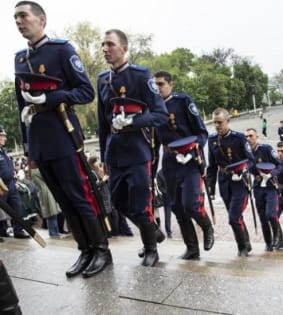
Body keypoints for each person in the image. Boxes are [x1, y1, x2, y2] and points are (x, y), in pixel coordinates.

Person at [14, 1, 111, 278]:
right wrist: (29, 147)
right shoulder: (19, 57)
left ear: (41, 19)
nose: (19, 22)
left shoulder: (61, 50)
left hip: (63, 132)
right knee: (62, 199)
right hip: (40, 139)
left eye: (23, 16)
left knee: (79, 195)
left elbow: (85, 92)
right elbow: (23, 106)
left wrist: (52, 97)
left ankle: (101, 249)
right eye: (15, 18)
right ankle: (85, 249)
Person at [97, 29, 168, 267]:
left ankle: (151, 248)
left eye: (110, 44)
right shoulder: (102, 79)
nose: (105, 49)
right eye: (103, 45)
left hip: (137, 150)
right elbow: (102, 121)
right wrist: (104, 153)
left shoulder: (140, 75)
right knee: (117, 201)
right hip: (114, 152)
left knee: (141, 203)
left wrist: (133, 122)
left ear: (124, 48)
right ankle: (153, 231)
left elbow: (160, 114)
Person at [153, 70, 214, 259]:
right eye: (154, 85)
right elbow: (154, 142)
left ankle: (207, 227)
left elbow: (201, 132)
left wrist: (193, 150)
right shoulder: (152, 108)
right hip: (170, 161)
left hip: (190, 160)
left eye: (161, 84)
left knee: (191, 204)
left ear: (170, 84)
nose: (157, 88)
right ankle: (192, 247)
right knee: (177, 206)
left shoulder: (182, 101)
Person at [207, 108, 255, 256]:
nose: (217, 126)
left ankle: (242, 247)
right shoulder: (212, 140)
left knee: (233, 217)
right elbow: (212, 166)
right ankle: (246, 242)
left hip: (240, 182)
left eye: (220, 122)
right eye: (215, 123)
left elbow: (251, 161)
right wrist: (211, 189)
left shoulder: (239, 138)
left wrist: (244, 172)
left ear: (228, 121)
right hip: (224, 181)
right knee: (235, 216)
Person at [245, 128, 282, 251]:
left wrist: (272, 174)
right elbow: (246, 167)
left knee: (271, 214)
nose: (248, 139)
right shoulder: (246, 152)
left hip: (271, 185)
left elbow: (279, 165)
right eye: (246, 136)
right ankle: (268, 242)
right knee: (262, 217)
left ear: (257, 137)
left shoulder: (266, 149)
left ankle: (277, 236)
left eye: (251, 136)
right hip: (258, 187)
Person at [0, 125, 29, 239]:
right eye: (2, 136)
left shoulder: (4, 150)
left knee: (17, 207)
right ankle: (2, 232)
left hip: (11, 184)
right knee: (1, 211)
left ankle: (18, 230)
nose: (5, 138)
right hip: (1, 186)